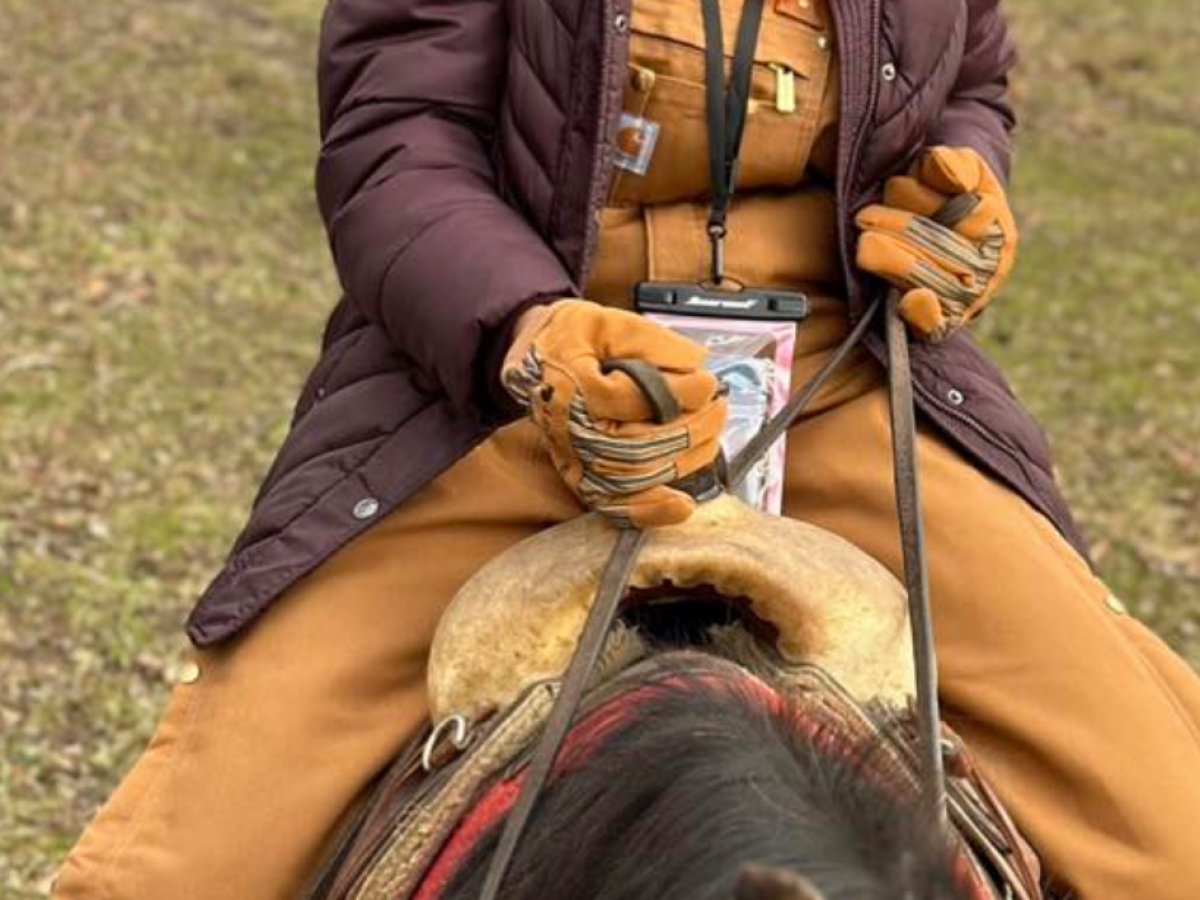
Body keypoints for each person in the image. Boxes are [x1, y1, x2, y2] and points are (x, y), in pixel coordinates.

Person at [51, 0, 1200, 898]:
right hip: (511, 389)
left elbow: (970, 82)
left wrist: (964, 197)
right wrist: (529, 336)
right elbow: (396, 144)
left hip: (839, 377)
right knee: (188, 866)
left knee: (1168, 833)